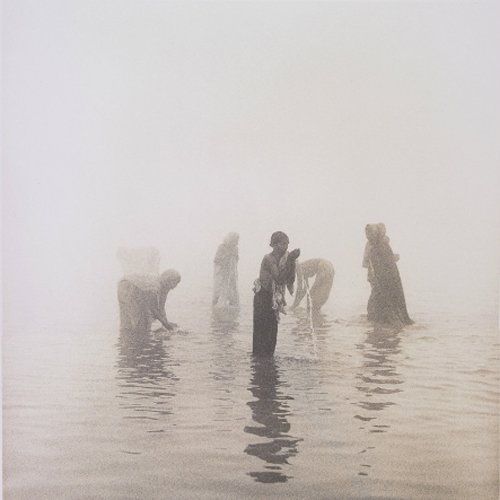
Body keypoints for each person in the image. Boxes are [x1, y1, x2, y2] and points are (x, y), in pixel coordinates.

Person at [253, 231, 300, 356]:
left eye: (287, 244)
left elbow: (290, 280)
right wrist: (290, 261)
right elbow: (279, 279)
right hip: (262, 297)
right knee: (260, 337)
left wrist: (291, 262)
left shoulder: (285, 259)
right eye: (283, 244)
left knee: (272, 336)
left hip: (273, 299)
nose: (286, 247)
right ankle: (258, 364)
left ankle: (268, 364)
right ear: (274, 245)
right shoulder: (269, 258)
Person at [363, 223, 413, 327]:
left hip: (385, 281)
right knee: (380, 302)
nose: (367, 236)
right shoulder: (375, 246)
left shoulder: (381, 246)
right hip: (380, 280)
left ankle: (382, 321)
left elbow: (386, 264)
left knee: (383, 302)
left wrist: (391, 259)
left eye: (370, 233)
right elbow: (367, 263)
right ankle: (382, 320)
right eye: (367, 234)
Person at [212, 232, 240, 307]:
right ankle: (216, 306)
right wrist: (227, 255)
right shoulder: (222, 247)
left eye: (237, 241)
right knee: (219, 288)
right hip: (221, 272)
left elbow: (236, 259)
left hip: (232, 272)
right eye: (236, 240)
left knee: (232, 288)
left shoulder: (235, 249)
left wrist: (234, 257)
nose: (237, 243)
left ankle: (233, 305)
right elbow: (216, 260)